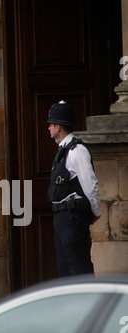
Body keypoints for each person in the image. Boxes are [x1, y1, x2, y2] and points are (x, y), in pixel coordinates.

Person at [47, 101, 102, 277]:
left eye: (51, 124)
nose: (48, 127)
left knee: (79, 270)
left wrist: (95, 212)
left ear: (58, 126)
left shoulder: (77, 151)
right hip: (62, 218)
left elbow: (90, 184)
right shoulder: (62, 151)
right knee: (66, 273)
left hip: (72, 218)